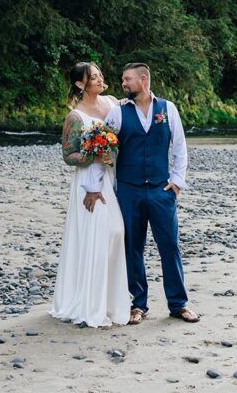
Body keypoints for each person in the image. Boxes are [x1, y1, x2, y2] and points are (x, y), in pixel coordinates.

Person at [83, 62, 200, 325]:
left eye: (127, 80)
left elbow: (180, 147)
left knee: (169, 246)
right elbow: (103, 151)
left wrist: (177, 182)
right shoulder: (117, 113)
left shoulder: (168, 108)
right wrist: (93, 187)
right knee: (132, 247)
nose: (123, 84)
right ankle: (138, 305)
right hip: (129, 191)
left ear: (143, 80)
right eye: (123, 80)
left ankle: (178, 304)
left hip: (161, 190)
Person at [49, 61, 131, 328]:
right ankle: (90, 304)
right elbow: (67, 155)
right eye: (93, 77)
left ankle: (111, 302)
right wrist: (91, 153)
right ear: (80, 84)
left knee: (116, 232)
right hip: (87, 182)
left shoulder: (112, 104)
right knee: (97, 236)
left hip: (109, 177)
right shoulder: (75, 116)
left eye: (99, 75)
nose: (99, 79)